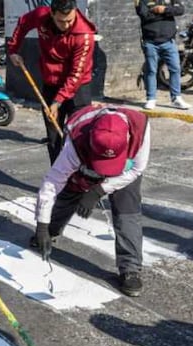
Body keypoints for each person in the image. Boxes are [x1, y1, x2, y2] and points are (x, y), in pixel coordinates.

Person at [31, 105, 151, 297]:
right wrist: (42, 225)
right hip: (85, 160)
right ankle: (50, 231)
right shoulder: (76, 139)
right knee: (71, 190)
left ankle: (130, 268)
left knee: (127, 208)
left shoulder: (140, 129)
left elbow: (137, 169)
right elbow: (53, 182)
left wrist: (98, 190)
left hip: (126, 170)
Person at [7, 0, 97, 164]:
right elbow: (23, 23)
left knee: (80, 133)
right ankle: (57, 176)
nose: (66, 25)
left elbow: (76, 74)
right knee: (53, 135)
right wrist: (13, 50)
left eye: (70, 20)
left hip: (78, 88)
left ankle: (81, 178)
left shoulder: (84, 35)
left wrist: (58, 101)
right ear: (52, 14)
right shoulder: (41, 15)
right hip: (50, 82)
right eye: (61, 21)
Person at [136, 0, 190, 111]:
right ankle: (151, 99)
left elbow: (180, 10)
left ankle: (176, 98)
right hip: (150, 42)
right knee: (151, 70)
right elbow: (145, 15)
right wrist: (168, 13)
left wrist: (164, 10)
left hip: (169, 42)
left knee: (175, 69)